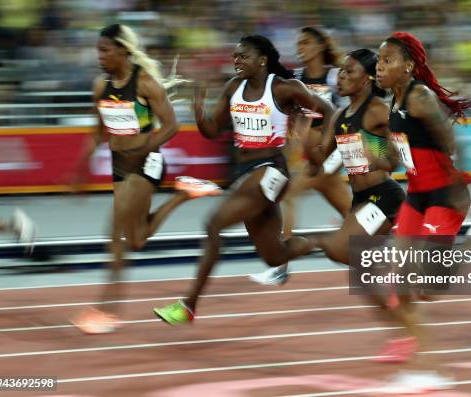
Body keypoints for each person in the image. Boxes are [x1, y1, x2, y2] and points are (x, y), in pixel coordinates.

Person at [153, 35, 335, 324]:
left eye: (243, 56)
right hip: (245, 173)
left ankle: (187, 306)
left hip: (272, 170)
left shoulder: (284, 87)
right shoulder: (233, 88)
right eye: (234, 57)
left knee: (213, 224)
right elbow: (213, 130)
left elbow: (329, 111)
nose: (236, 61)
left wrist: (321, 152)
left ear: (262, 60)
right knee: (275, 256)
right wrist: (199, 109)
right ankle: (326, 241)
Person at [70, 24, 220, 334]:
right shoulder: (101, 86)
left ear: (123, 50)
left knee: (114, 236)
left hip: (146, 163)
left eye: (105, 50)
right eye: (98, 50)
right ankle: (183, 194)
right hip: (119, 165)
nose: (99, 56)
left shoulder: (146, 83)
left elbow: (171, 126)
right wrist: (81, 167)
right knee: (136, 239)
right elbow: (98, 130)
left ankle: (107, 310)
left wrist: (144, 148)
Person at [374, 31, 471, 391]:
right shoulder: (394, 100)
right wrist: (354, 144)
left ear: (409, 66)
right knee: (398, 284)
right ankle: (428, 366)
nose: (379, 66)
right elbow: (389, 156)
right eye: (379, 60)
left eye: (387, 60)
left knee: (428, 287)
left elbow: (449, 139)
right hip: (417, 196)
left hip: (444, 196)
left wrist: (456, 182)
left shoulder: (419, 96)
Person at [249, 26, 351, 285]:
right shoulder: (295, 77)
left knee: (287, 195)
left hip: (332, 153)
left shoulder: (334, 78)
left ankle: (280, 266)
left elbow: (349, 114)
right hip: (307, 154)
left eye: (305, 43)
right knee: (352, 212)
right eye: (298, 43)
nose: (300, 47)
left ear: (319, 47)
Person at [304, 48, 404, 265]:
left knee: (338, 250)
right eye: (341, 71)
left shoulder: (377, 110)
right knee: (361, 271)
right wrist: (304, 126)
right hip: (360, 199)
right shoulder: (339, 116)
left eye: (349, 72)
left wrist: (372, 152)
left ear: (367, 80)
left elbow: (394, 161)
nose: (341, 76)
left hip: (383, 198)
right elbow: (318, 160)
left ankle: (398, 256)